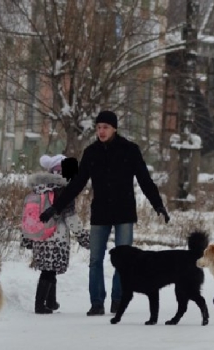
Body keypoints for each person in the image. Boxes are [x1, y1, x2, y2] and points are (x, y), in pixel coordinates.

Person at [39, 110, 170, 316]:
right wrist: (56, 207)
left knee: (125, 259)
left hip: (124, 212)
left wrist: (158, 204)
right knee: (95, 259)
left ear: (114, 128)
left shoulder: (130, 150)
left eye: (105, 127)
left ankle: (118, 299)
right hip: (100, 212)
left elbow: (145, 179)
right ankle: (97, 302)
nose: (101, 131)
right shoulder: (91, 152)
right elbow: (77, 184)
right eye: (98, 127)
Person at [25, 154, 90, 314]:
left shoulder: (39, 188)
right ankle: (40, 305)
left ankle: (51, 301)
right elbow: (70, 216)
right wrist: (82, 236)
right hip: (56, 235)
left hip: (40, 235)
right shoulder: (63, 190)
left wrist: (26, 236)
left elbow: (28, 214)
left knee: (49, 269)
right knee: (48, 271)